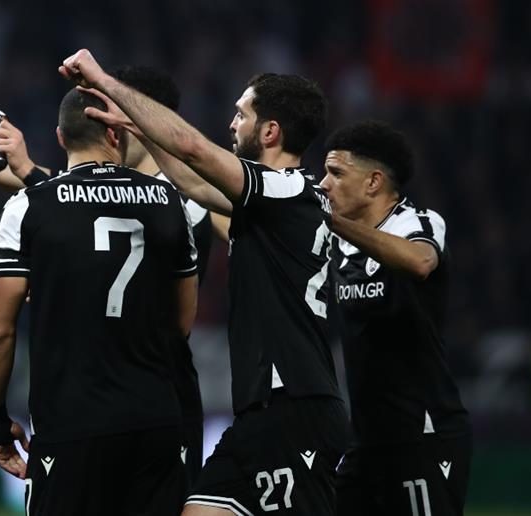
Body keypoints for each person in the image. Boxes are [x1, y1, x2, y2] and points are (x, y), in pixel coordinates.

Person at [60, 49, 350, 515]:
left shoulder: (284, 189)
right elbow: (192, 182)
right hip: (263, 411)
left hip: (294, 405)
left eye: (242, 115)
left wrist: (105, 82)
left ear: (270, 131)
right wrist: (136, 126)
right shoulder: (278, 200)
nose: (232, 124)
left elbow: (193, 150)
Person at [0, 65, 222, 491]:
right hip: (154, 406)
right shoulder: (171, 202)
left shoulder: (185, 201)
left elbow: (80, 213)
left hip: (117, 401)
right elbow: (87, 208)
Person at [320, 120, 472, 516]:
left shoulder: (417, 222)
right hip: (365, 440)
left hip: (423, 434)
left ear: (373, 182)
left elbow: (420, 262)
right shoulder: (334, 240)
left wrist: (334, 222)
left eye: (336, 173)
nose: (323, 184)